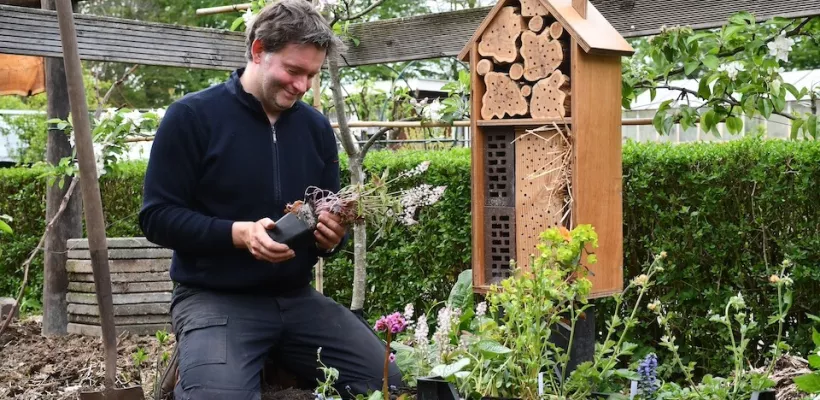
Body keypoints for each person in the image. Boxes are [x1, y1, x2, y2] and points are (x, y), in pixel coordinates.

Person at [138, 1, 403, 398]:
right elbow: (156, 217)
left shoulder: (315, 128)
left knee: (388, 383)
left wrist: (331, 236)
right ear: (258, 51)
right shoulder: (192, 117)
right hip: (215, 300)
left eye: (311, 75)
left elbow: (324, 219)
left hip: (297, 301)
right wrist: (237, 233)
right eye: (294, 71)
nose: (302, 86)